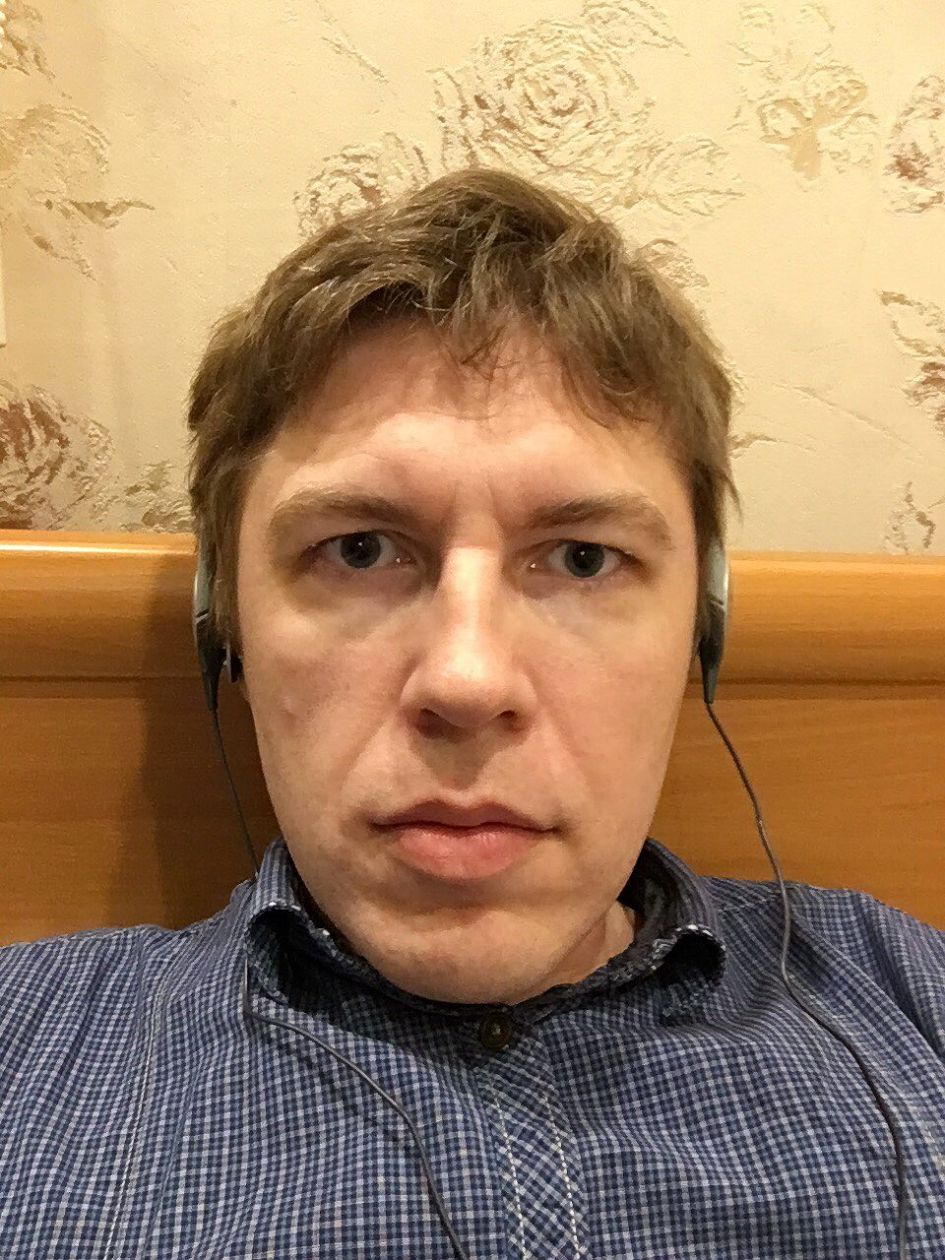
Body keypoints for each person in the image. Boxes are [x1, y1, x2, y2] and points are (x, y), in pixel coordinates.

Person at [1, 168, 943, 1260]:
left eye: (582, 558)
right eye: (359, 550)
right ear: (228, 626)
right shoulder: (25, 1060)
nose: (465, 681)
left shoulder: (914, 997)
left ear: (703, 626)